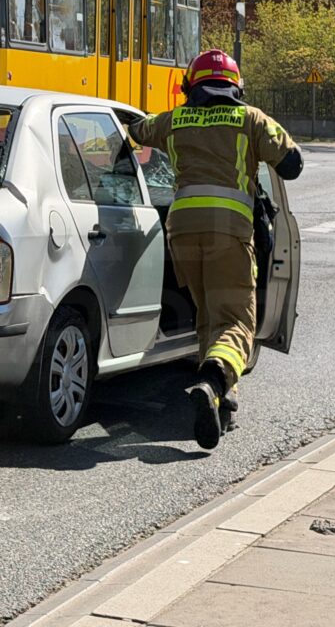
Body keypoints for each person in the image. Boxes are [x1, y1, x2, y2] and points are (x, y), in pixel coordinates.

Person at [127, 49, 303, 451]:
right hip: (229, 233)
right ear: (236, 87)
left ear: (190, 87)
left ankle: (222, 402)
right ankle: (213, 380)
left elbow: (136, 129)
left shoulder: (174, 120)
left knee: (210, 315)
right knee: (238, 322)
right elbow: (293, 163)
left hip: (182, 232)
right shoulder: (249, 119)